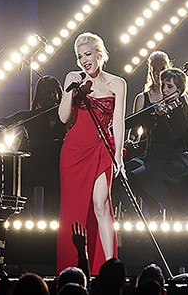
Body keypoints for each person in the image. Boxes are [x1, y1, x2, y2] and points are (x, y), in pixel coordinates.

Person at [57, 32, 127, 276]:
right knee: (74, 210)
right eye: (79, 56)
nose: (84, 60)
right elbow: (63, 117)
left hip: (101, 149)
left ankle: (110, 268)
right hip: (74, 151)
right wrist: (71, 90)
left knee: (102, 204)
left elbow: (118, 123)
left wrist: (118, 156)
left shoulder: (117, 83)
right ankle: (74, 269)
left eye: (88, 54)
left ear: (100, 54)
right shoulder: (73, 79)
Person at [128, 68, 188, 219]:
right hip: (152, 157)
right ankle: (146, 208)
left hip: (172, 160)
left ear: (179, 90)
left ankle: (159, 208)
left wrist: (161, 118)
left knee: (144, 176)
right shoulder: (157, 108)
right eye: (163, 86)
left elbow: (170, 136)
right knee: (126, 173)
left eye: (169, 87)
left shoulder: (182, 112)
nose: (164, 90)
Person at [0, 75, 65, 218]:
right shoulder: (31, 115)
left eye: (52, 92)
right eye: (45, 92)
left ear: (58, 93)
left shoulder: (64, 115)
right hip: (34, 162)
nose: (49, 96)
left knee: (53, 203)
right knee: (26, 198)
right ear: (39, 96)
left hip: (55, 162)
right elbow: (5, 121)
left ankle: (52, 232)